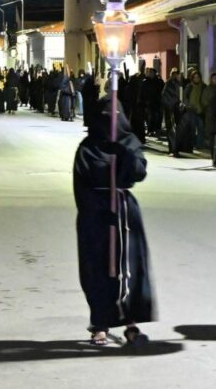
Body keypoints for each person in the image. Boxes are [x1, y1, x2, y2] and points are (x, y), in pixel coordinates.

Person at [74, 98, 156, 346]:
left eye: (115, 114)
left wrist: (126, 154)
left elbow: (140, 172)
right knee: (97, 269)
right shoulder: (88, 147)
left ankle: (130, 323)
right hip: (96, 216)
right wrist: (96, 209)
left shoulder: (129, 142)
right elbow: (80, 184)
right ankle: (100, 324)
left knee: (128, 269)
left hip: (124, 214)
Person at [161, 69, 183, 155]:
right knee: (171, 129)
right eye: (177, 74)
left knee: (174, 129)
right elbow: (165, 97)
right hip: (171, 109)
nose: (179, 76)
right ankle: (173, 149)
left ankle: (174, 149)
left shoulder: (178, 84)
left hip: (175, 109)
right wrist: (172, 105)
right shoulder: (170, 84)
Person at [184, 71, 207, 149]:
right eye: (195, 77)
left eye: (198, 77)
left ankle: (199, 144)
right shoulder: (189, 86)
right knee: (192, 128)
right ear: (192, 78)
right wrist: (188, 106)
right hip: (191, 110)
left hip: (201, 110)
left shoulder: (203, 86)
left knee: (201, 128)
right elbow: (186, 98)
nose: (196, 79)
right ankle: (192, 144)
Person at [141, 69, 164, 138]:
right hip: (148, 102)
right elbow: (142, 92)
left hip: (158, 102)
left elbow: (162, 91)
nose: (150, 74)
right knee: (150, 117)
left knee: (158, 117)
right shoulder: (145, 82)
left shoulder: (159, 81)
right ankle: (150, 130)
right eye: (149, 72)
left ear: (154, 73)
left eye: (151, 72)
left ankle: (157, 130)